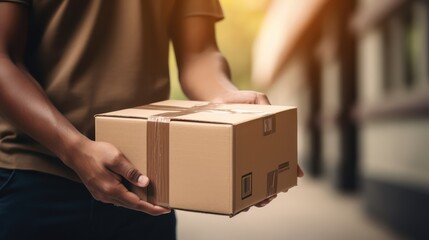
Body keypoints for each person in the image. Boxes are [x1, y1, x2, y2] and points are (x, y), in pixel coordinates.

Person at [0, 0, 304, 239]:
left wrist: (227, 98)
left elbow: (199, 53)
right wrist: (73, 148)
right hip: (35, 179)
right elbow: (4, 58)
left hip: (144, 186)